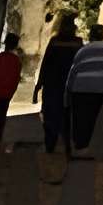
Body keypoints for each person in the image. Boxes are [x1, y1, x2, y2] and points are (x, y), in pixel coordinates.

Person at [63, 23, 103, 151]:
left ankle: (79, 144)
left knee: (79, 117)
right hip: (101, 88)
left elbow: (73, 71)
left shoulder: (83, 50)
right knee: (93, 117)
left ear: (90, 34)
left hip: (80, 87)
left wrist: (68, 91)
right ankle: (88, 145)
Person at [34, 21, 79, 154]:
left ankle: (50, 144)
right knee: (66, 116)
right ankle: (67, 147)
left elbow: (46, 63)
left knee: (49, 116)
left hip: (52, 85)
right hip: (68, 85)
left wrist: (39, 85)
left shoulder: (54, 42)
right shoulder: (77, 43)